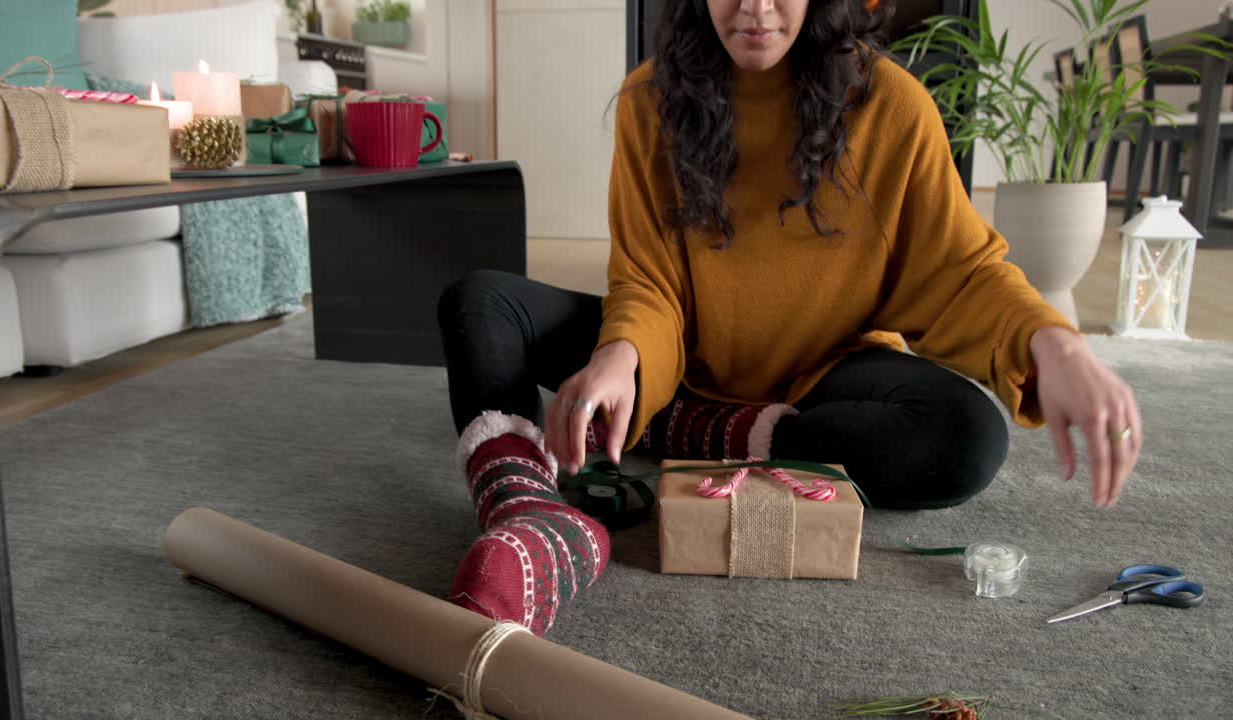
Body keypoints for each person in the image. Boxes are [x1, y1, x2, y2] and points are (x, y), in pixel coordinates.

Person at [436, 0, 1143, 636]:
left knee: (967, 438)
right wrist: (621, 353)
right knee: (480, 303)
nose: (755, 8)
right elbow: (647, 279)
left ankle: (698, 429)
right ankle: (533, 512)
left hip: (827, 369)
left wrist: (1054, 344)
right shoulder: (650, 97)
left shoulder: (891, 103)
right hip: (674, 354)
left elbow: (963, 270)